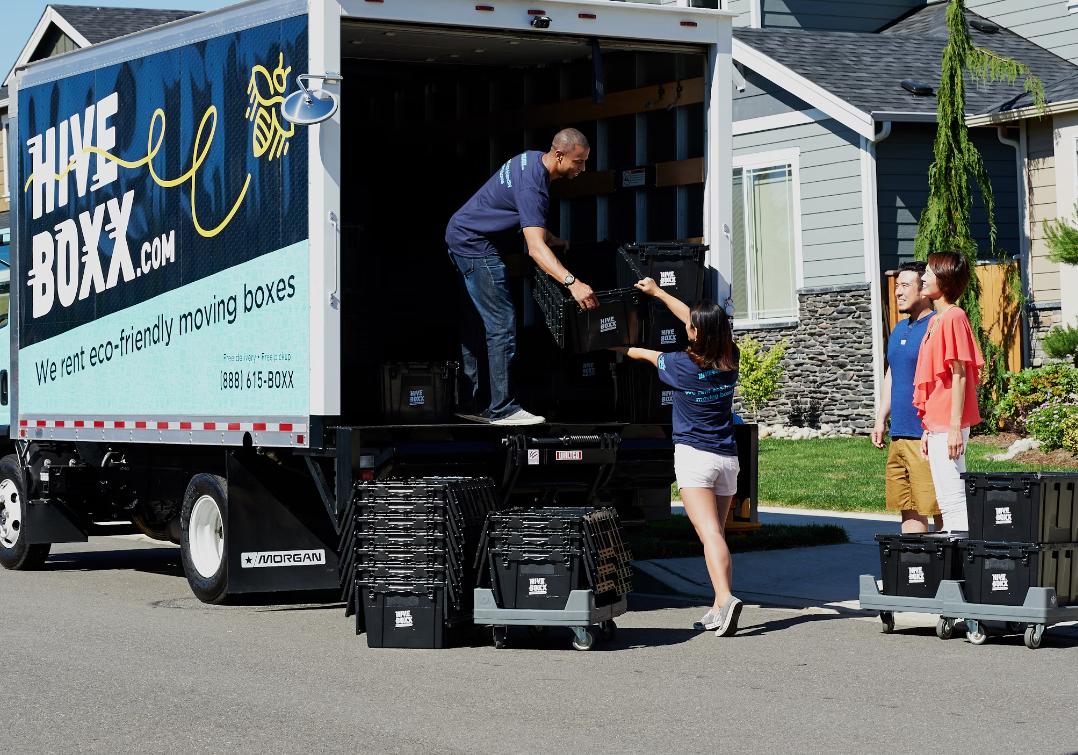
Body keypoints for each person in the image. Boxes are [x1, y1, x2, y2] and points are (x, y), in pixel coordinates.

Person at [612, 279, 743, 637]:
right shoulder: (731, 357)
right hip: (727, 460)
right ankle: (718, 609)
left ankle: (727, 598)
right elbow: (698, 321)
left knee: (710, 534)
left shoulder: (681, 365)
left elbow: (644, 354)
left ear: (696, 332)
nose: (687, 326)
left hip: (695, 459)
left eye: (691, 326)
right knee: (715, 535)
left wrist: (618, 345)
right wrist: (658, 293)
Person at [446, 128, 600, 426]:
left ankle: (473, 403)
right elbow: (535, 251)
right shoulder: (535, 188)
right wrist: (573, 284)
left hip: (460, 234)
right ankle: (502, 409)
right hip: (474, 245)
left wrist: (548, 236)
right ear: (559, 155)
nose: (582, 169)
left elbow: (512, 206)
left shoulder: (529, 160)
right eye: (579, 162)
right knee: (501, 324)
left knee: (478, 322)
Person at [913, 252, 984, 532]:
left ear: (943, 281)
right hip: (938, 422)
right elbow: (935, 380)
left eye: (929, 273)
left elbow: (960, 372)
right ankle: (953, 560)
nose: (923, 277)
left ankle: (962, 561)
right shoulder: (934, 321)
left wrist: (955, 427)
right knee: (944, 497)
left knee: (954, 496)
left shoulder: (954, 316)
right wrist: (928, 428)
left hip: (950, 422)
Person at [872, 261, 942, 533]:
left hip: (925, 436)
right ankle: (917, 569)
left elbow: (944, 381)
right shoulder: (900, 328)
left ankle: (947, 570)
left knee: (937, 507)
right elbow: (893, 373)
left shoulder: (936, 326)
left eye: (905, 286)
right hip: (899, 434)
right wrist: (881, 418)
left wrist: (931, 427)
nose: (898, 292)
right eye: (896, 286)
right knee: (909, 507)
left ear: (923, 289)